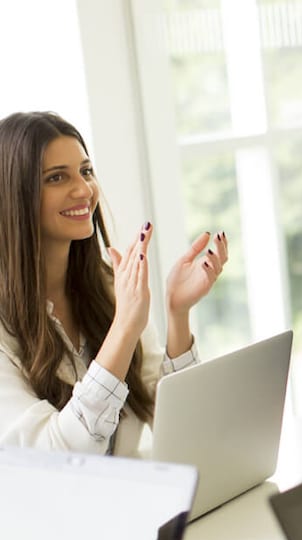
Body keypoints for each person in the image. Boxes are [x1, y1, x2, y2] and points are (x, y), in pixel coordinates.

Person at [0, 112, 228, 457]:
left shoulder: (108, 287)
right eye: (56, 177)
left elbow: (176, 424)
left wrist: (177, 314)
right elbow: (54, 457)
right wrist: (123, 328)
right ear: (14, 195)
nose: (83, 190)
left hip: (127, 501)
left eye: (86, 171)